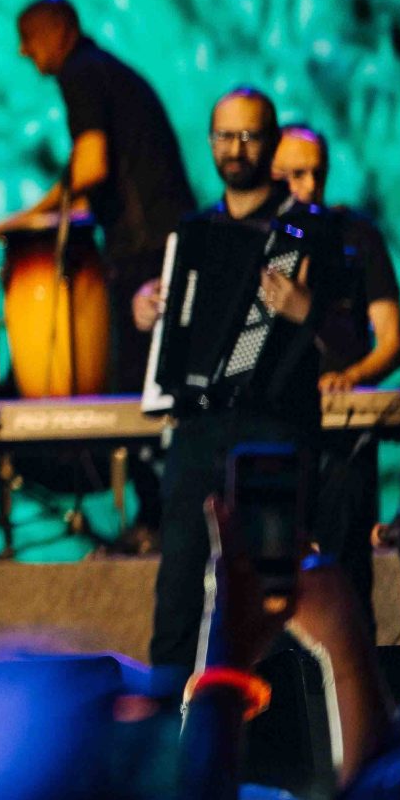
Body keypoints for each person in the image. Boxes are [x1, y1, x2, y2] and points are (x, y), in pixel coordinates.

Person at [133, 88, 349, 679]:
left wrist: (306, 310)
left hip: (273, 426)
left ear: (272, 143)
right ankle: (169, 715)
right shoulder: (194, 230)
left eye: (249, 136)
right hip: (199, 425)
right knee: (177, 593)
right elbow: (172, 316)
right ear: (210, 142)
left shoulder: (309, 230)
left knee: (270, 598)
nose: (236, 148)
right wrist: (146, 307)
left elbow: (355, 338)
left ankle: (274, 722)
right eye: (225, 136)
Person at [3, 0, 197, 393]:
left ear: (60, 32)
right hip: (163, 238)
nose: (23, 49)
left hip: (147, 247)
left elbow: (91, 167)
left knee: (138, 380)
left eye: (29, 36)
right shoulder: (104, 69)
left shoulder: (80, 72)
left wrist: (31, 217)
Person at [271, 123, 400, 627]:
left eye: (316, 174)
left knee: (346, 574)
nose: (308, 187)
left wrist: (351, 375)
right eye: (294, 176)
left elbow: (392, 343)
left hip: (343, 433)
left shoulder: (356, 236)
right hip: (275, 429)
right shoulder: (259, 238)